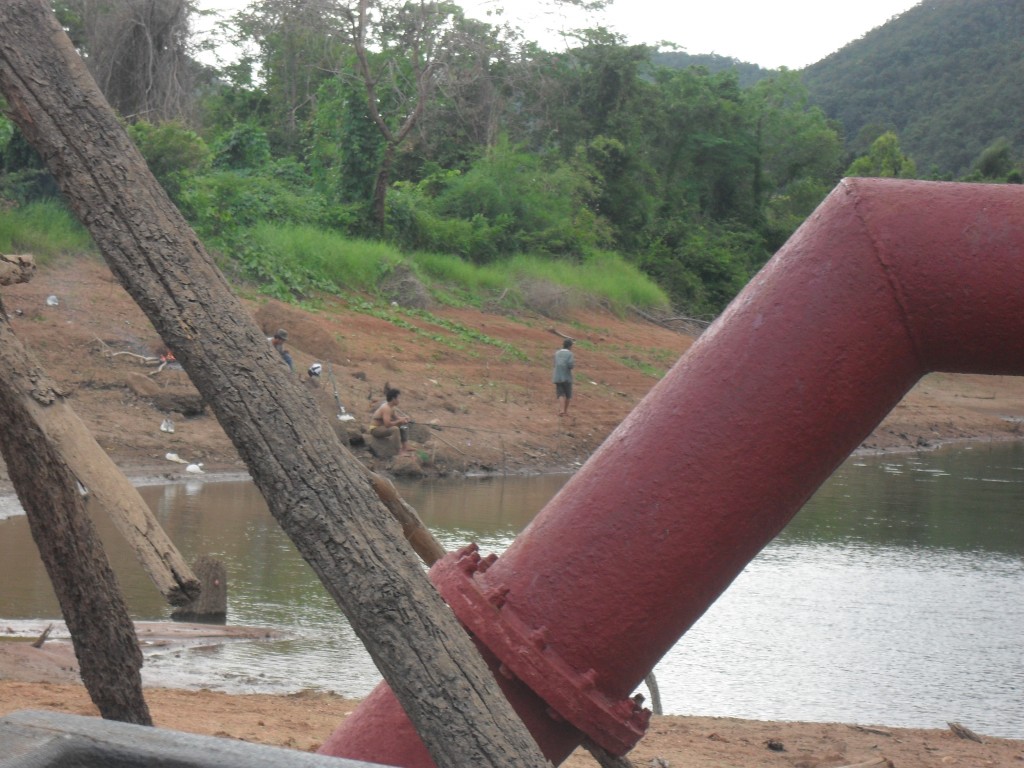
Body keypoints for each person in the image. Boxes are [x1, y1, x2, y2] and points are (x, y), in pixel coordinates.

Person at [370, 386, 412, 452]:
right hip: (376, 429)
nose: (399, 400)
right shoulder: (386, 408)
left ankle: (405, 446)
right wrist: (399, 421)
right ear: (393, 399)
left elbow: (396, 418)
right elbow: (387, 424)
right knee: (395, 429)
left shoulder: (391, 407)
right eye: (398, 398)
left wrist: (404, 419)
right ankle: (398, 450)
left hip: (382, 427)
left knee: (404, 425)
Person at [552, 338, 575, 416]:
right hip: (567, 377)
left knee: (560, 394)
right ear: (570, 346)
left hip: (558, 376)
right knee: (568, 394)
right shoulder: (570, 354)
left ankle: (561, 410)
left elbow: (554, 364)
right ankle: (565, 411)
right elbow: (570, 365)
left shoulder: (557, 353)